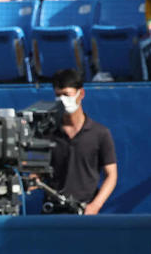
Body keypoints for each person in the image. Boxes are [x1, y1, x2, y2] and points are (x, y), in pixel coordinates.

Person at [46, 69, 117, 215]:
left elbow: (111, 175)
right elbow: (36, 171)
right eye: (58, 95)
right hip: (52, 211)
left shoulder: (100, 133)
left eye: (67, 94)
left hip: (85, 211)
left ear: (81, 94)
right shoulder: (47, 132)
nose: (62, 100)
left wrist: (95, 205)